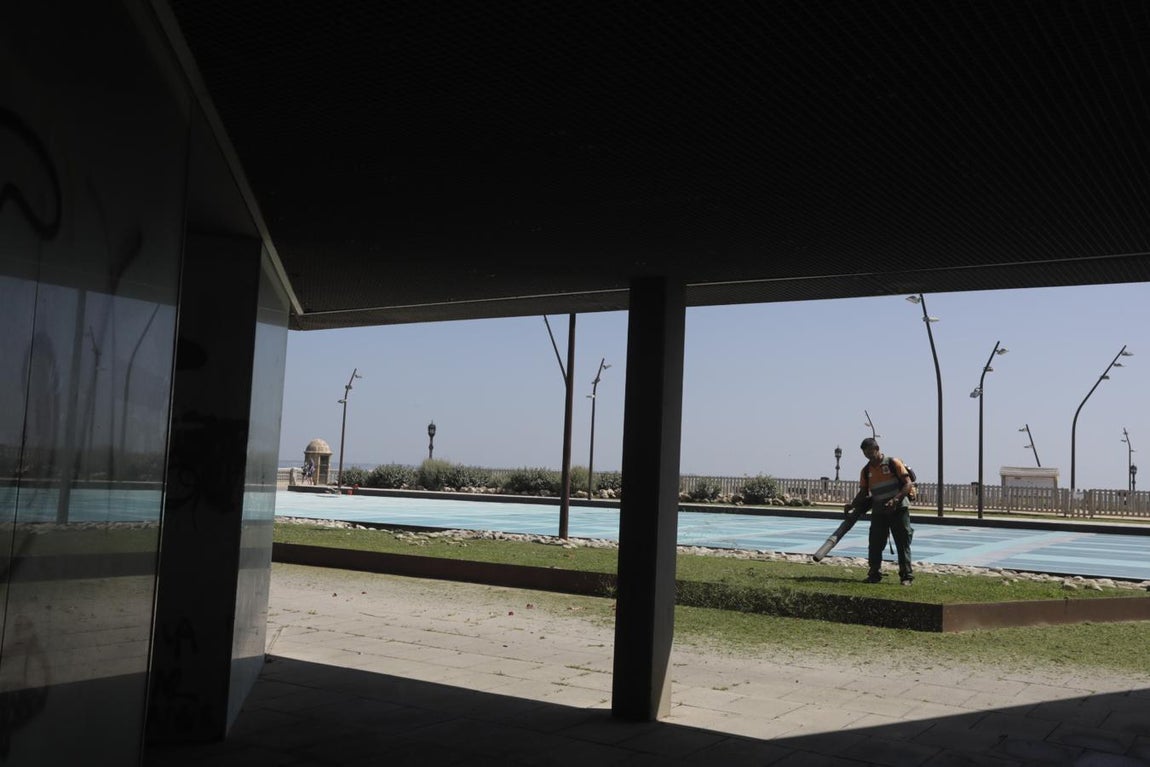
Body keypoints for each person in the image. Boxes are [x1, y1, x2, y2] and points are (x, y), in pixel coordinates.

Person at [844, 437, 914, 585]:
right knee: (875, 543)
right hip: (879, 512)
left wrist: (895, 500)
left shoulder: (893, 463)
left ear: (877, 449)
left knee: (902, 542)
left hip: (899, 509)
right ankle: (874, 573)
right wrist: (852, 504)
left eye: (871, 451)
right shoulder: (866, 471)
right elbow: (863, 493)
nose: (869, 455)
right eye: (865, 453)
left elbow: (908, 484)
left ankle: (906, 576)